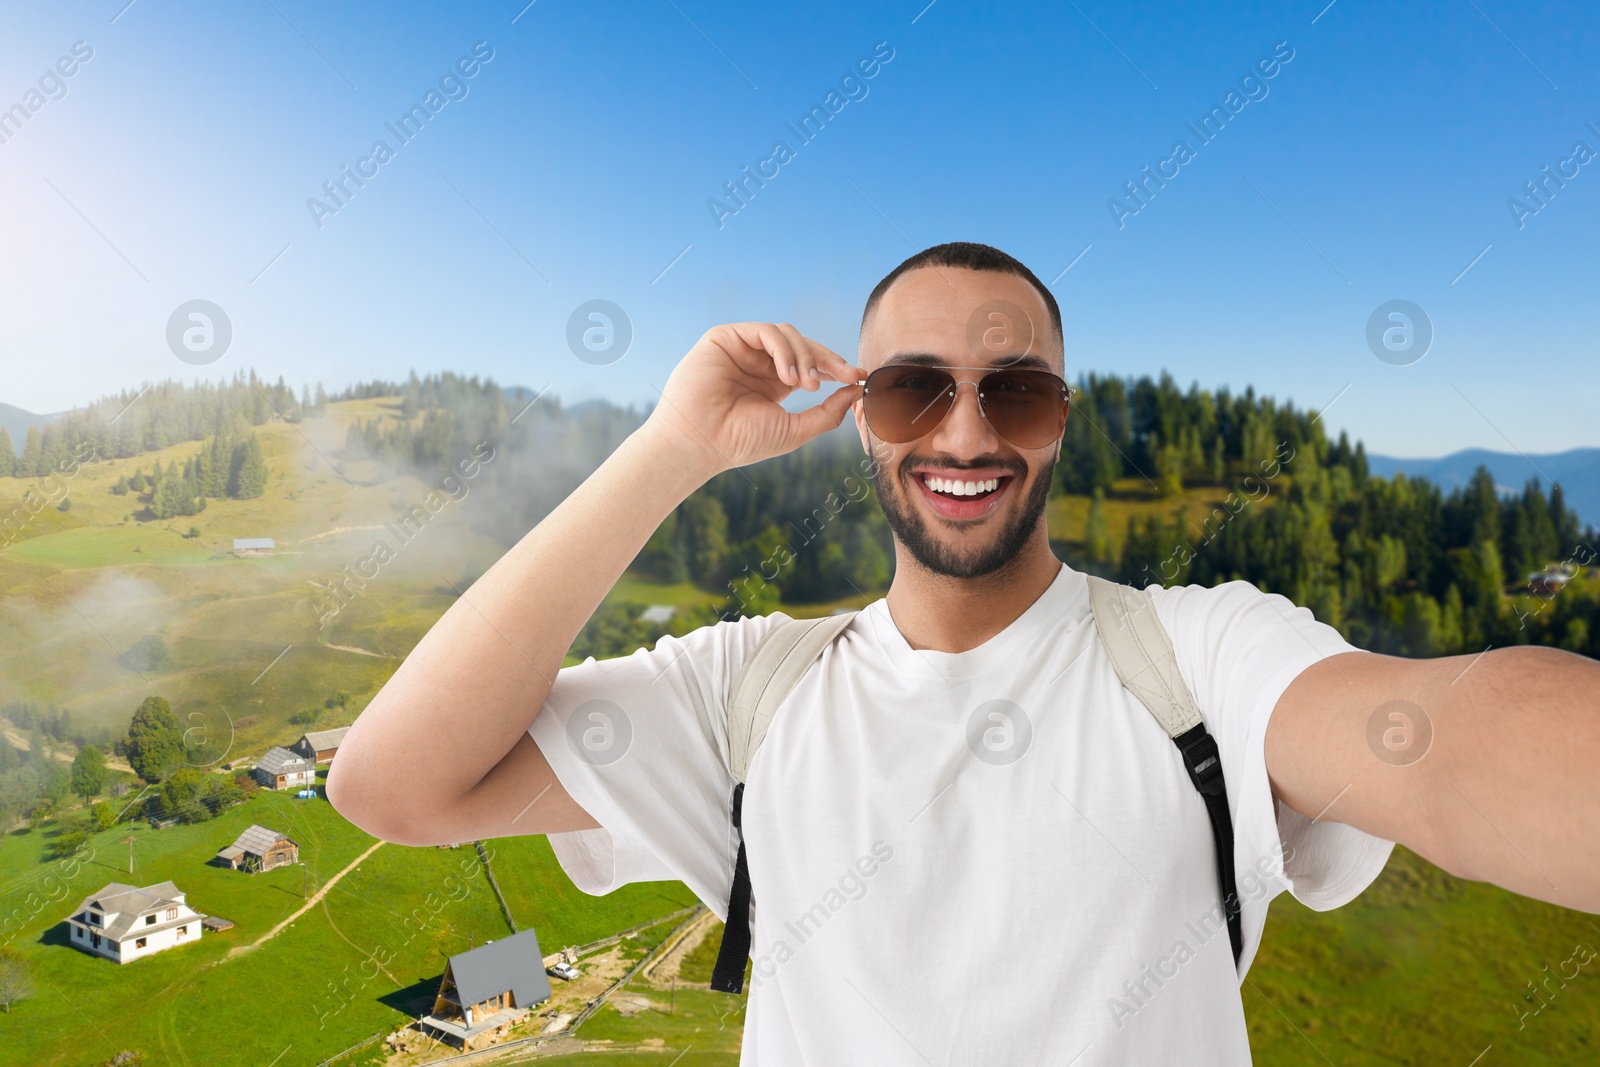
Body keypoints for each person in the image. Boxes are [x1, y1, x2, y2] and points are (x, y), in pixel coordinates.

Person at [328, 242, 1600, 1064]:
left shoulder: (1198, 656)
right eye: (912, 388)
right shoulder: (745, 691)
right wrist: (673, 446)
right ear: (859, 418)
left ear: (1061, 425)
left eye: (1018, 389)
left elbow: (1451, 747)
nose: (966, 429)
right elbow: (393, 782)